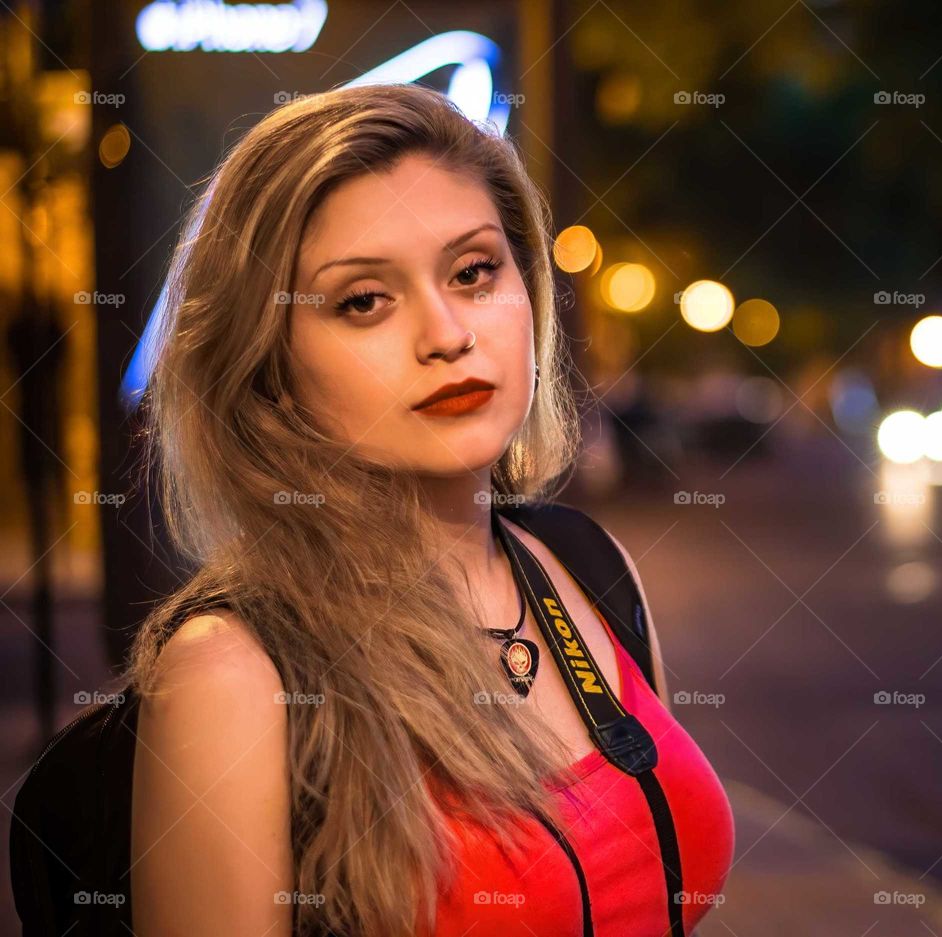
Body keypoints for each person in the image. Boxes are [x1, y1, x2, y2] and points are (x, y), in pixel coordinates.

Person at [124, 82, 734, 937]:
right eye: (364, 301)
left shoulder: (587, 567)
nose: (446, 332)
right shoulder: (232, 672)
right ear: (268, 369)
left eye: (474, 271)